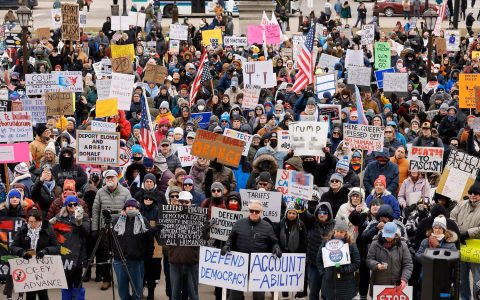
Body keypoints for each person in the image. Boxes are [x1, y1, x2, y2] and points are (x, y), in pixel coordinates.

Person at [222, 200, 282, 300]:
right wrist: (227, 245)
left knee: (259, 297)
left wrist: (276, 248)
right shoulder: (239, 223)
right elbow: (231, 239)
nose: (254, 213)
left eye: (257, 211)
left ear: (261, 212)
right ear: (248, 210)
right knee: (234, 296)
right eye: (252, 210)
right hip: (240, 265)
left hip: (258, 267)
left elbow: (274, 242)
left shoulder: (267, 226)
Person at [91, 170, 131, 290]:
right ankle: (106, 279)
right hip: (105, 229)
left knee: (121, 254)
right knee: (104, 255)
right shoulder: (100, 192)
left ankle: (123, 279)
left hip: (121, 229)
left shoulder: (125, 192)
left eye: (111, 177)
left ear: (116, 178)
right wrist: (95, 229)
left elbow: (130, 209)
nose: (109, 179)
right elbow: (95, 211)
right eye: (107, 177)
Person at [11, 206, 60, 300]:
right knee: (30, 295)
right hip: (28, 266)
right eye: (30, 222)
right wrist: (22, 252)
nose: (33, 224)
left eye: (35, 222)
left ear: (40, 221)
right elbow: (13, 246)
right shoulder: (23, 230)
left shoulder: (48, 229)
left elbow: (56, 247)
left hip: (42, 267)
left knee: (43, 294)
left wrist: (45, 251)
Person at [50, 196, 90, 300]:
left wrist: (79, 223)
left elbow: (86, 232)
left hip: (78, 254)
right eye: (70, 204)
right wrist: (50, 225)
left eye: (75, 204)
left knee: (77, 281)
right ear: (66, 205)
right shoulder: (59, 217)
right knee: (66, 282)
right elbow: (54, 235)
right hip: (64, 254)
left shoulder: (83, 215)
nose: (72, 206)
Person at [112, 199, 152, 300]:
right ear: (124, 208)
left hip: (136, 261)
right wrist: (114, 252)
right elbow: (109, 239)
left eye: (133, 206)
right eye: (128, 206)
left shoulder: (144, 221)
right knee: (122, 288)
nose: (130, 208)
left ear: (137, 209)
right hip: (119, 260)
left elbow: (149, 240)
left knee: (137, 289)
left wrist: (146, 256)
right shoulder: (116, 220)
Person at [316, 218, 361, 300]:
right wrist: (323, 273)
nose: (338, 234)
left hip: (346, 282)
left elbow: (357, 262)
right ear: (334, 231)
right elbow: (319, 259)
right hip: (329, 282)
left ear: (346, 233)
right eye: (337, 231)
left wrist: (344, 270)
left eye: (341, 232)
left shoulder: (351, 244)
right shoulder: (326, 242)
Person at [450, 181, 480, 300]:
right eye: (471, 192)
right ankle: (465, 298)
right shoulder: (461, 204)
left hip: (476, 247)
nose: (473, 195)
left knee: (477, 278)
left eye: (476, 193)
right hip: (461, 245)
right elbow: (452, 216)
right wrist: (457, 230)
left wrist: (468, 233)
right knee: (462, 278)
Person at [366, 222, 413, 297]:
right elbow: (369, 260)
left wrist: (404, 279)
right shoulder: (375, 244)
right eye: (386, 235)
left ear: (396, 234)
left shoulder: (403, 245)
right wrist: (376, 265)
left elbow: (408, 264)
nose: (388, 238)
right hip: (379, 285)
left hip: (397, 285)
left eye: (391, 236)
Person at [300, 202, 335, 300]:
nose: (322, 215)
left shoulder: (335, 225)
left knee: (327, 292)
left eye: (325, 212)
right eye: (319, 212)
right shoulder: (311, 222)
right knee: (313, 291)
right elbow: (305, 215)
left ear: (329, 214)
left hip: (329, 265)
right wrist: (302, 210)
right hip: (313, 263)